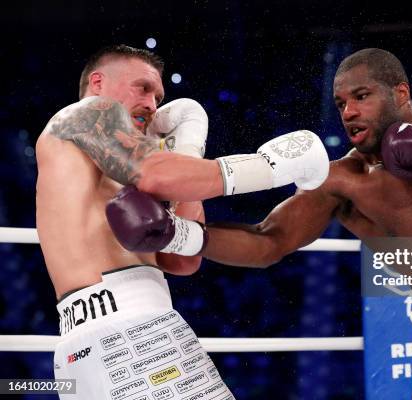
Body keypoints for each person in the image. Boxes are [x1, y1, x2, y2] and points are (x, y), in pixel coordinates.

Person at [108, 48, 412, 399]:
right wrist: (180, 235)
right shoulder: (343, 182)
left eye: (361, 97)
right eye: (341, 103)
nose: (348, 112)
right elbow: (268, 242)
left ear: (401, 93)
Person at [36, 44, 329, 400]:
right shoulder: (82, 114)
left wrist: (187, 152)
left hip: (85, 350)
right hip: (134, 335)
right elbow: (154, 175)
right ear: (98, 82)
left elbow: (182, 260)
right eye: (142, 88)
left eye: (158, 96)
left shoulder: (117, 163)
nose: (152, 104)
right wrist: (266, 168)